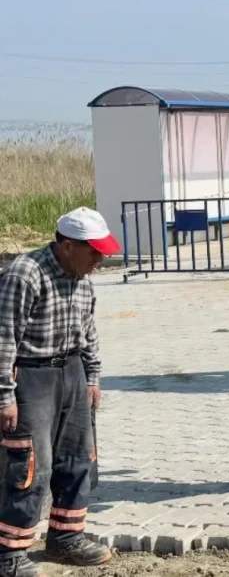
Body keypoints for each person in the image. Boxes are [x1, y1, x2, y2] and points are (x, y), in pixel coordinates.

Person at [0, 207, 120, 576]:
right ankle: (10, 554)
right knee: (32, 466)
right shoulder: (24, 274)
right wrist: (4, 395)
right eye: (94, 251)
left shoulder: (82, 277)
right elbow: (3, 337)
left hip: (72, 372)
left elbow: (89, 331)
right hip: (31, 379)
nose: (100, 259)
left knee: (79, 458)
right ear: (67, 246)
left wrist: (93, 377)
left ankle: (66, 538)